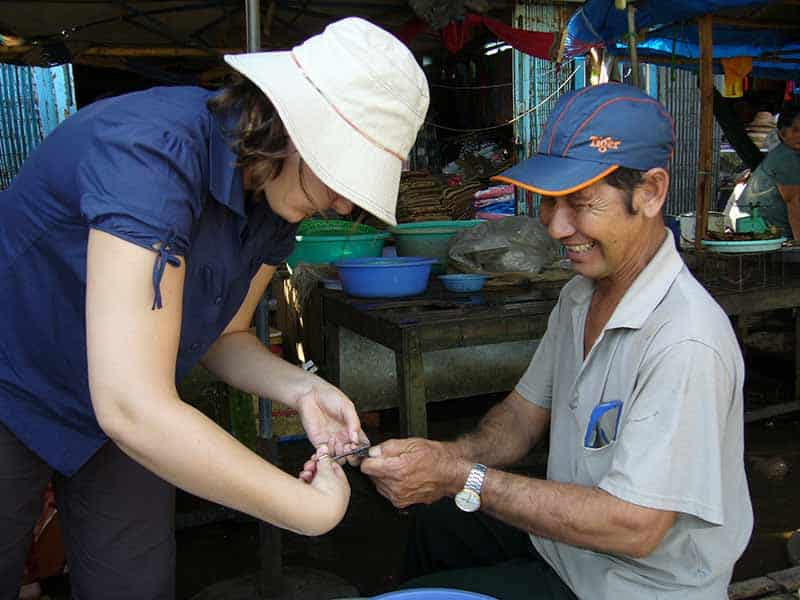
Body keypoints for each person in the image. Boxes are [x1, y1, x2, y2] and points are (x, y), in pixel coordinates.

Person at [0, 17, 429, 600]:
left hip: (124, 413)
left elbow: (227, 336)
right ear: (287, 122)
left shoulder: (276, 202)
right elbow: (132, 407)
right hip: (14, 384)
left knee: (134, 583)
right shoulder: (150, 158)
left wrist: (302, 390)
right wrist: (306, 511)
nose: (344, 200)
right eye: (339, 168)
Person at [358, 83, 753, 600]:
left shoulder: (686, 341)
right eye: (548, 203)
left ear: (652, 193)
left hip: (631, 583)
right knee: (437, 523)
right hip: (567, 547)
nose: (557, 227)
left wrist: (464, 477)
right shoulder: (578, 297)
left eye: (581, 203)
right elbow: (523, 415)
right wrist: (446, 456)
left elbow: (636, 526)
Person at [737, 106, 800, 238]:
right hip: (763, 232)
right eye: (795, 130)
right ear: (782, 134)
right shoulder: (787, 157)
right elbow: (794, 203)